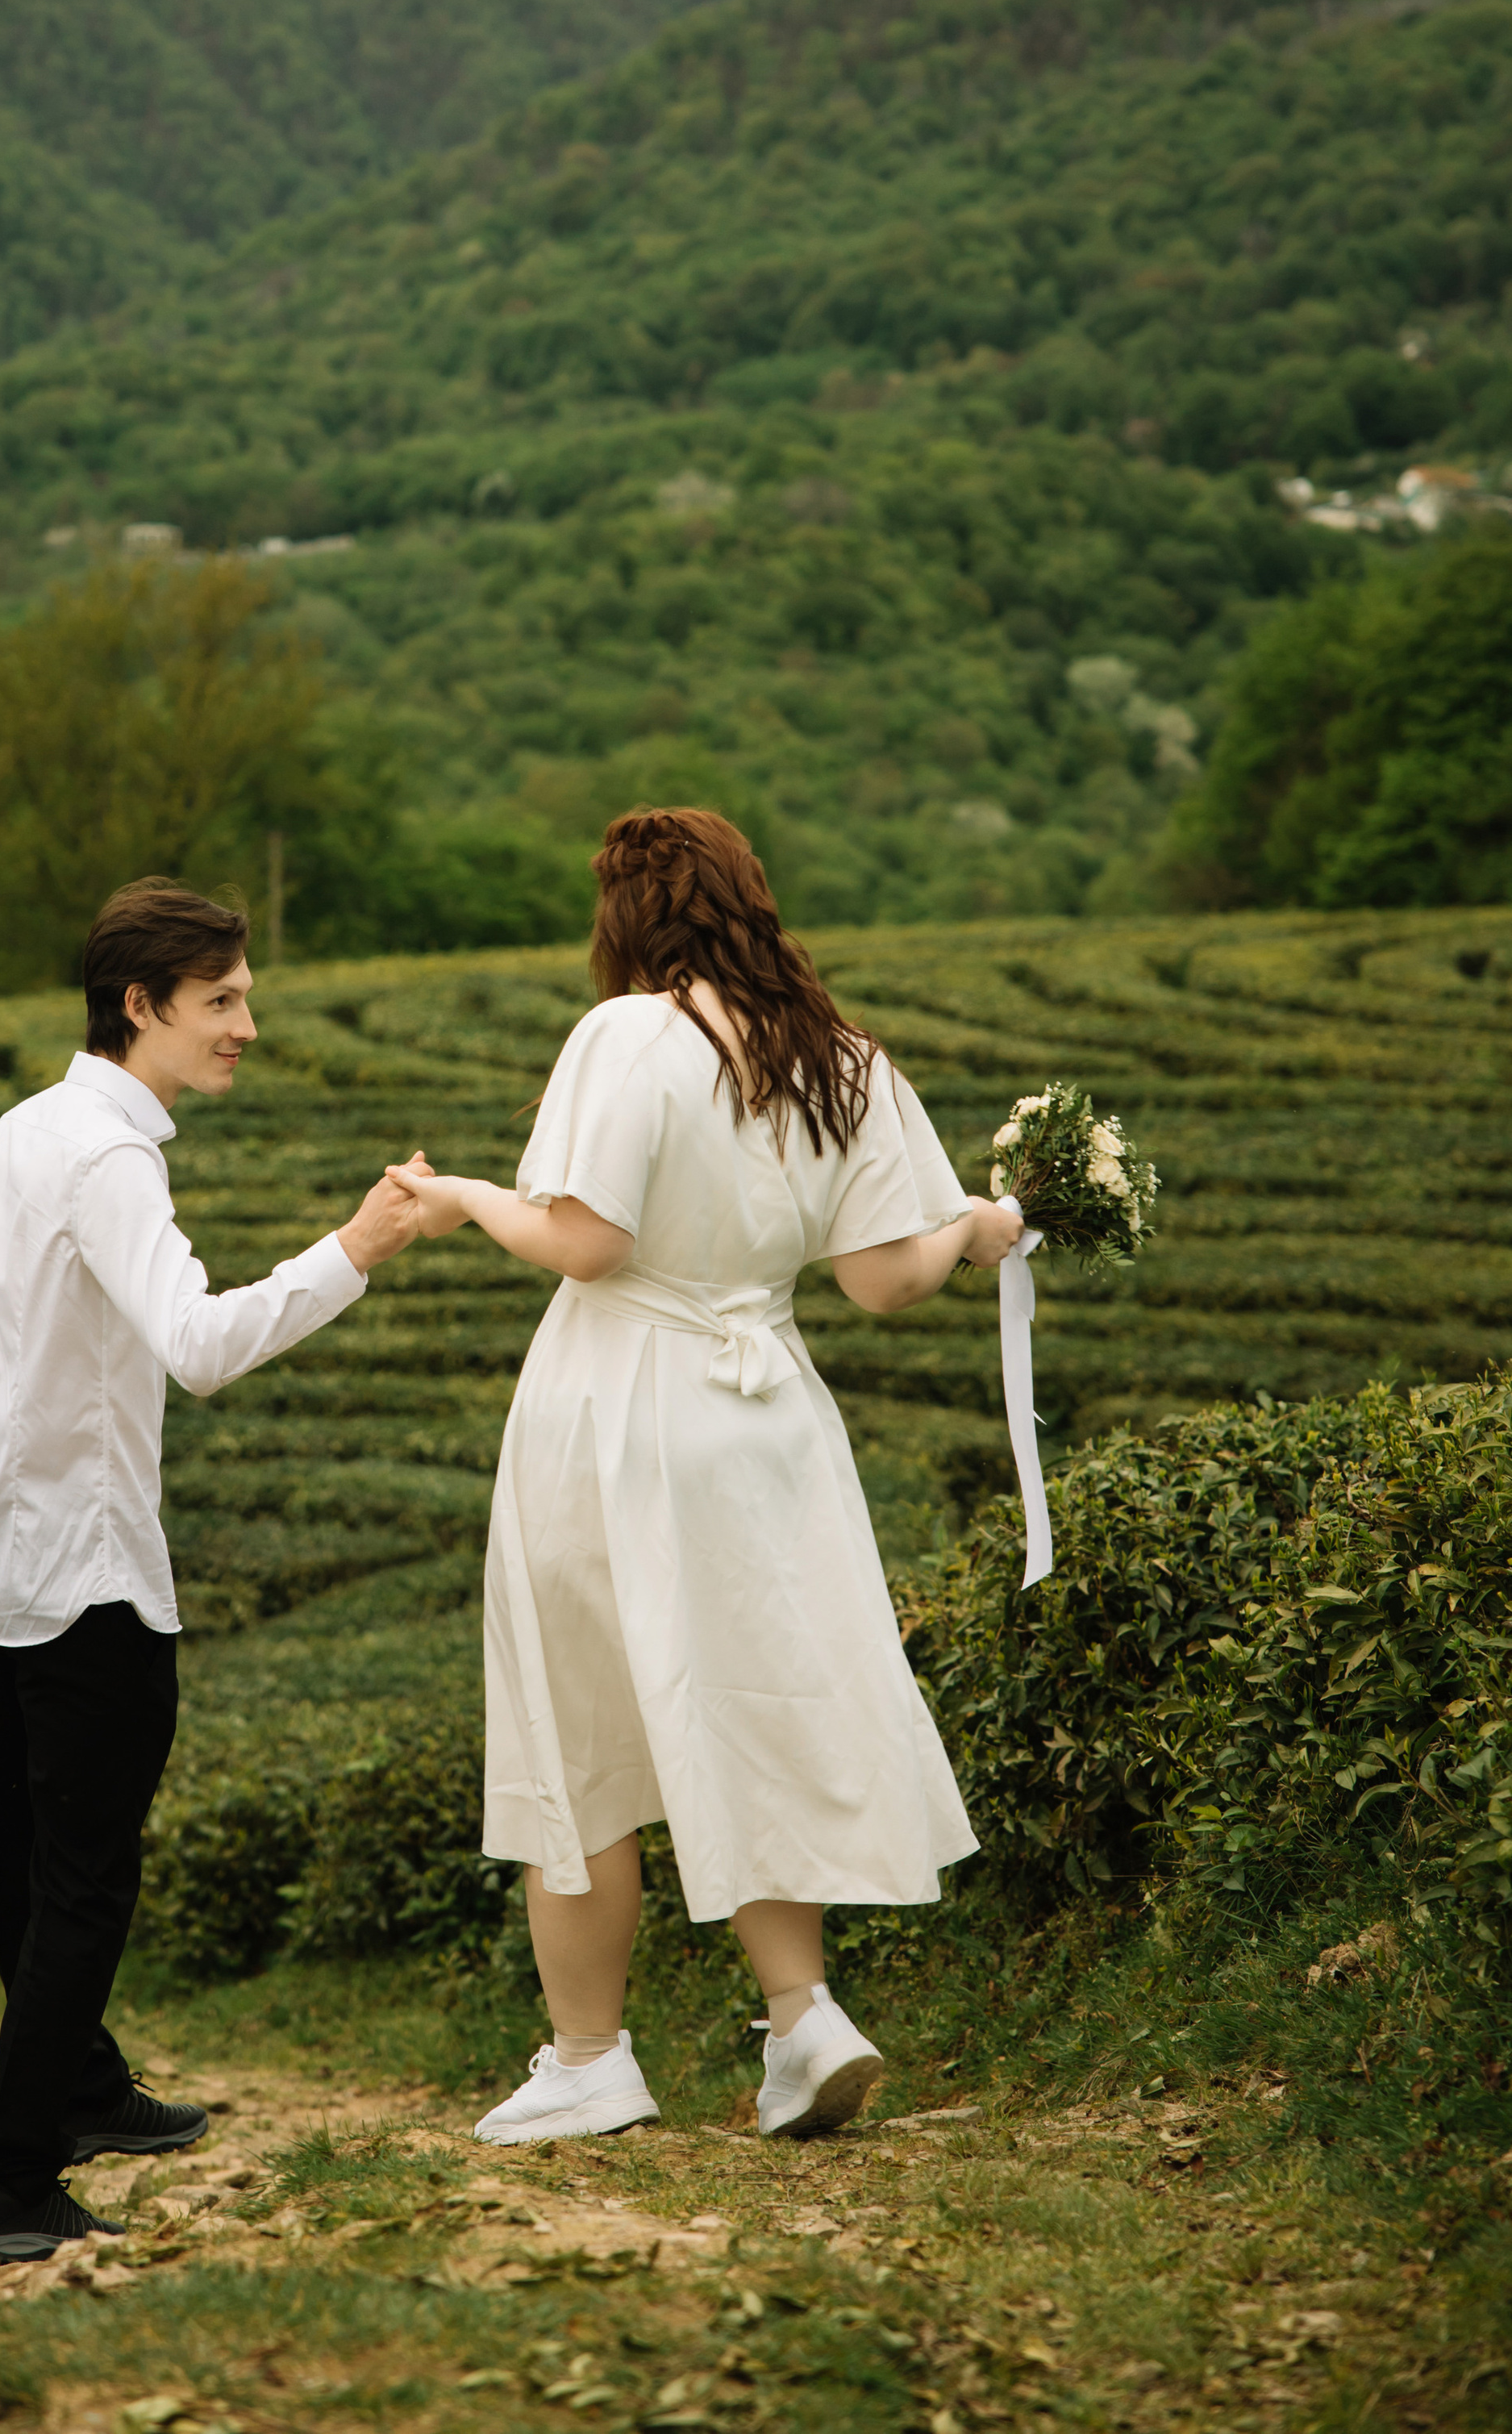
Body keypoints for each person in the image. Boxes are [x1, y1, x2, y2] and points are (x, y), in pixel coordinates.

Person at [398, 808, 1023, 2145]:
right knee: (748, 1701)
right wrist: (985, 1225)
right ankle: (802, 2020)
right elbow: (883, 1278)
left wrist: (459, 1198)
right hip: (772, 1416)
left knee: (581, 1730)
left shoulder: (627, 1033)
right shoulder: (842, 1056)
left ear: (630, 914)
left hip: (621, 1400)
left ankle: (589, 2058)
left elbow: (587, 1242)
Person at [0, 877, 427, 2268]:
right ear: (141, 1005)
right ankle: (9, 2185)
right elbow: (200, 1347)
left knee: (31, 1874)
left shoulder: (17, 1134)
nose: (247, 1027)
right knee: (85, 1886)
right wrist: (360, 1248)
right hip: (86, 1573)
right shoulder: (107, 1159)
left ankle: (83, 2091)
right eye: (222, 1001)